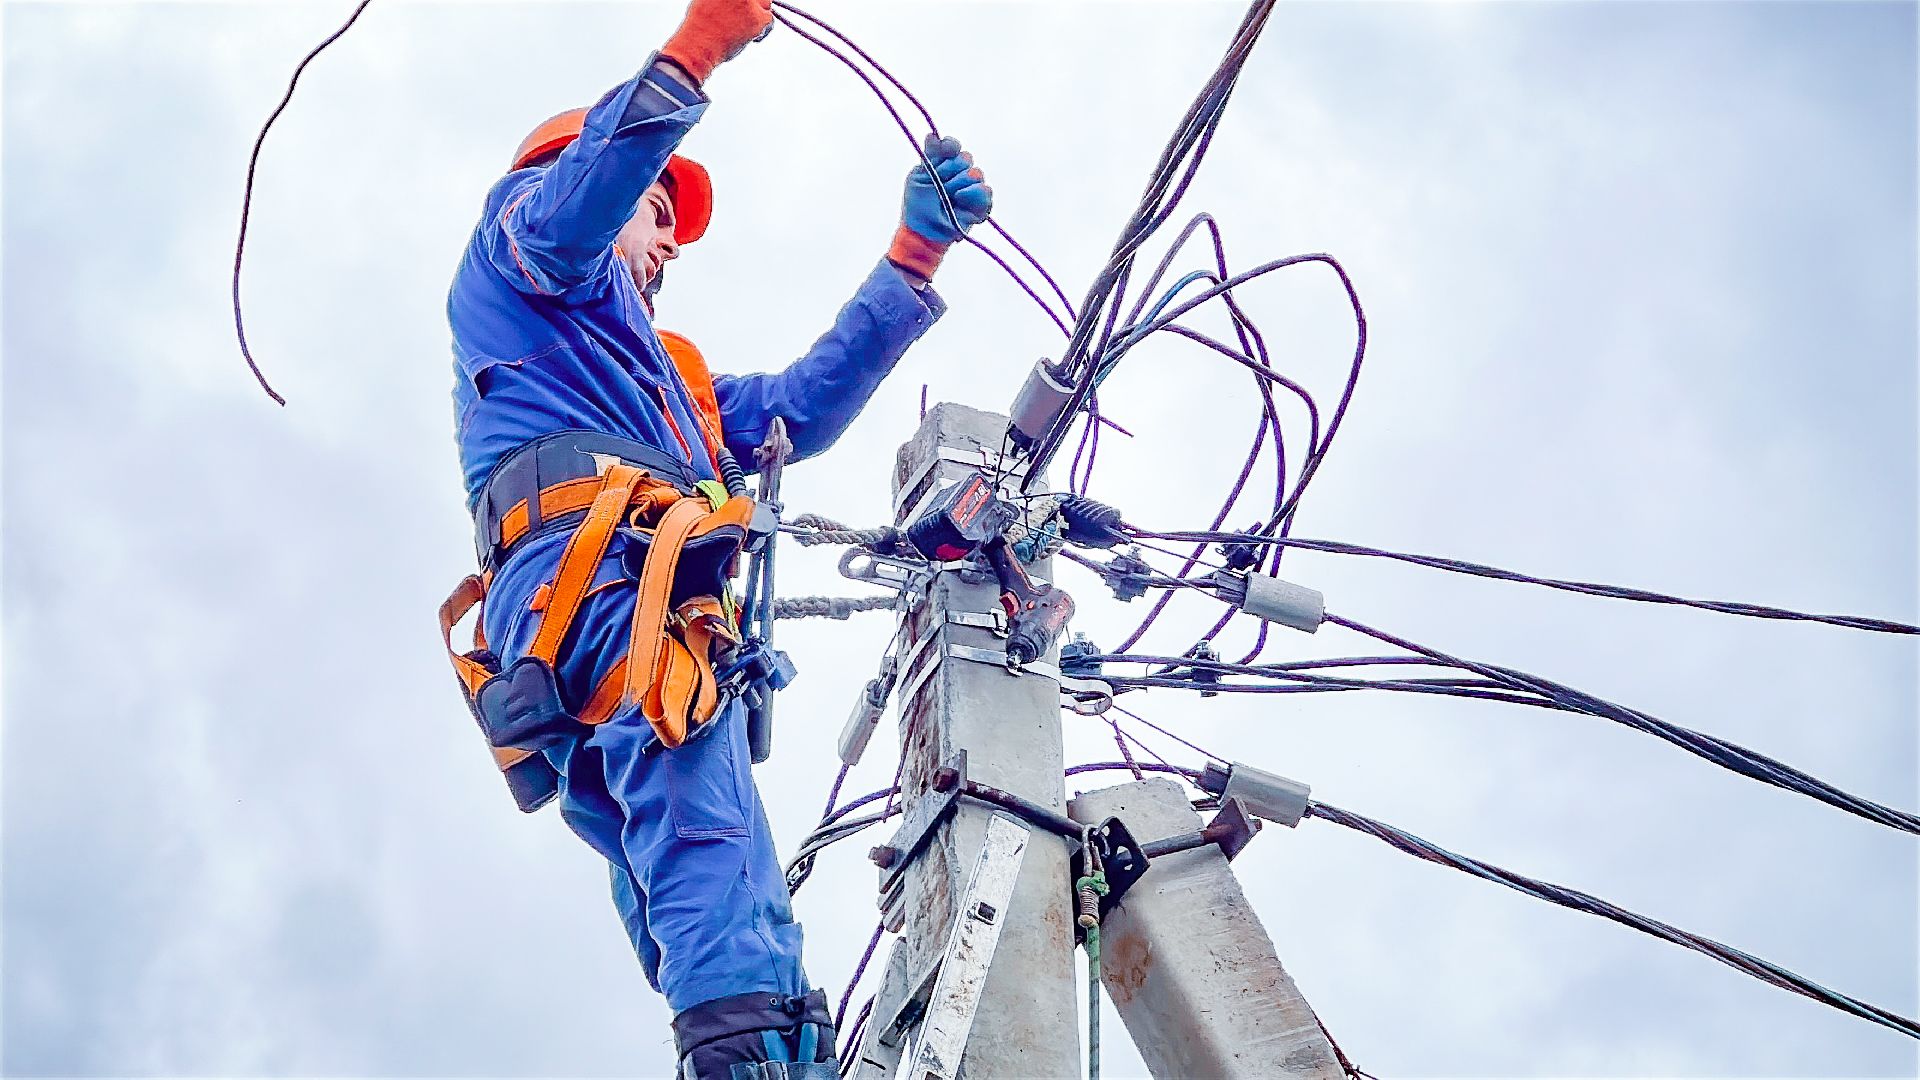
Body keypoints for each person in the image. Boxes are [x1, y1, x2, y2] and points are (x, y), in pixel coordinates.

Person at [438, 0, 992, 1075]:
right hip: (587, 581)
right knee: (696, 820)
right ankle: (751, 1063)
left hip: (625, 598)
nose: (669, 246)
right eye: (659, 215)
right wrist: (697, 51)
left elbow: (801, 409)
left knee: (699, 848)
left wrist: (911, 257)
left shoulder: (671, 383)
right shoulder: (520, 259)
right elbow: (575, 210)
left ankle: (775, 1046)